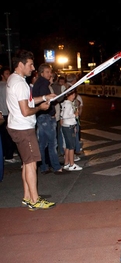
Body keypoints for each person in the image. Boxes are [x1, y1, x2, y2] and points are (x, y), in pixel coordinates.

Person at [6, 49, 56, 209]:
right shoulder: (19, 83)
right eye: (30, 64)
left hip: (17, 127)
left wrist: (44, 97)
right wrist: (41, 107)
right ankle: (35, 200)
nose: (33, 67)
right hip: (23, 129)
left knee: (27, 163)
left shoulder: (15, 80)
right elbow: (26, 110)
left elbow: (27, 100)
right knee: (31, 163)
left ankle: (28, 196)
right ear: (20, 64)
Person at [32, 63, 63, 174]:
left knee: (43, 143)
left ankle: (44, 166)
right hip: (46, 117)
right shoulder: (43, 84)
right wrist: (51, 112)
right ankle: (56, 166)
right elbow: (45, 102)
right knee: (52, 143)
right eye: (47, 72)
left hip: (40, 117)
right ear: (41, 73)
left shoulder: (38, 84)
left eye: (50, 72)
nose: (50, 74)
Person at [0, 66, 19, 163]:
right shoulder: (5, 86)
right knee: (8, 135)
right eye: (6, 74)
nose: (8, 75)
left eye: (9, 73)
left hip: (4, 112)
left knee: (4, 135)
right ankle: (8, 155)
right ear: (2, 75)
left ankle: (5, 153)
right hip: (6, 113)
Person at [61, 89, 82, 171]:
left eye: (74, 94)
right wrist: (74, 115)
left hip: (66, 125)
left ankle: (66, 163)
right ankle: (72, 164)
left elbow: (62, 115)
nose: (74, 96)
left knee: (67, 146)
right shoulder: (68, 104)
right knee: (71, 146)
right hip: (69, 126)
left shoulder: (65, 103)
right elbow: (66, 115)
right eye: (72, 94)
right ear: (68, 95)